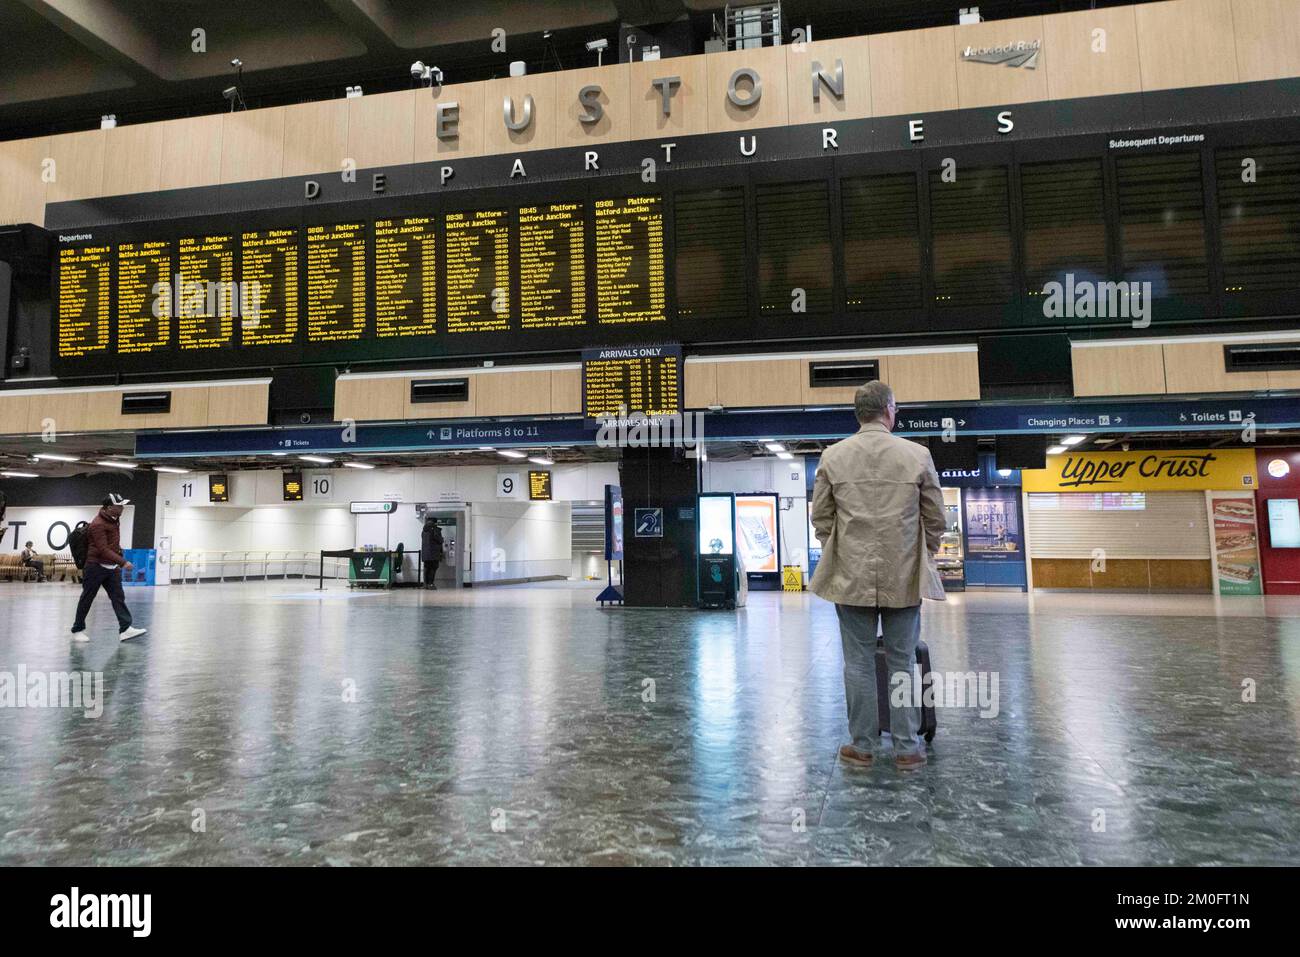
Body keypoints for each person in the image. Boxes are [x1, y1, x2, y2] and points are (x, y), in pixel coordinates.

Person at [810, 380, 946, 771]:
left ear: (858, 414)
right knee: (902, 662)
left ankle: (863, 746)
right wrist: (925, 552)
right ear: (888, 410)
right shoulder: (917, 455)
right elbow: (934, 517)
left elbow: (821, 518)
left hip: (850, 577)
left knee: (857, 663)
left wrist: (838, 548)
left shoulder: (833, 457)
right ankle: (907, 749)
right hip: (903, 575)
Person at [71, 493, 147, 642]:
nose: (122, 508)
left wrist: (118, 555)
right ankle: (77, 629)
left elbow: (111, 545)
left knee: (118, 597)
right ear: (109, 507)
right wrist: (123, 562)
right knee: (87, 598)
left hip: (111, 568)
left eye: (122, 505)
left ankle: (125, 629)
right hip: (95, 567)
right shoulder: (98, 524)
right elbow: (102, 549)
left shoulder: (114, 520)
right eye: (119, 505)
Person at [420, 517, 444, 589]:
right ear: (435, 522)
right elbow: (438, 539)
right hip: (433, 553)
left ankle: (425, 584)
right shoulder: (435, 529)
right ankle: (431, 584)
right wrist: (442, 539)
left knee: (427, 568)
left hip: (426, 554)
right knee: (433, 568)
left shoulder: (424, 531)